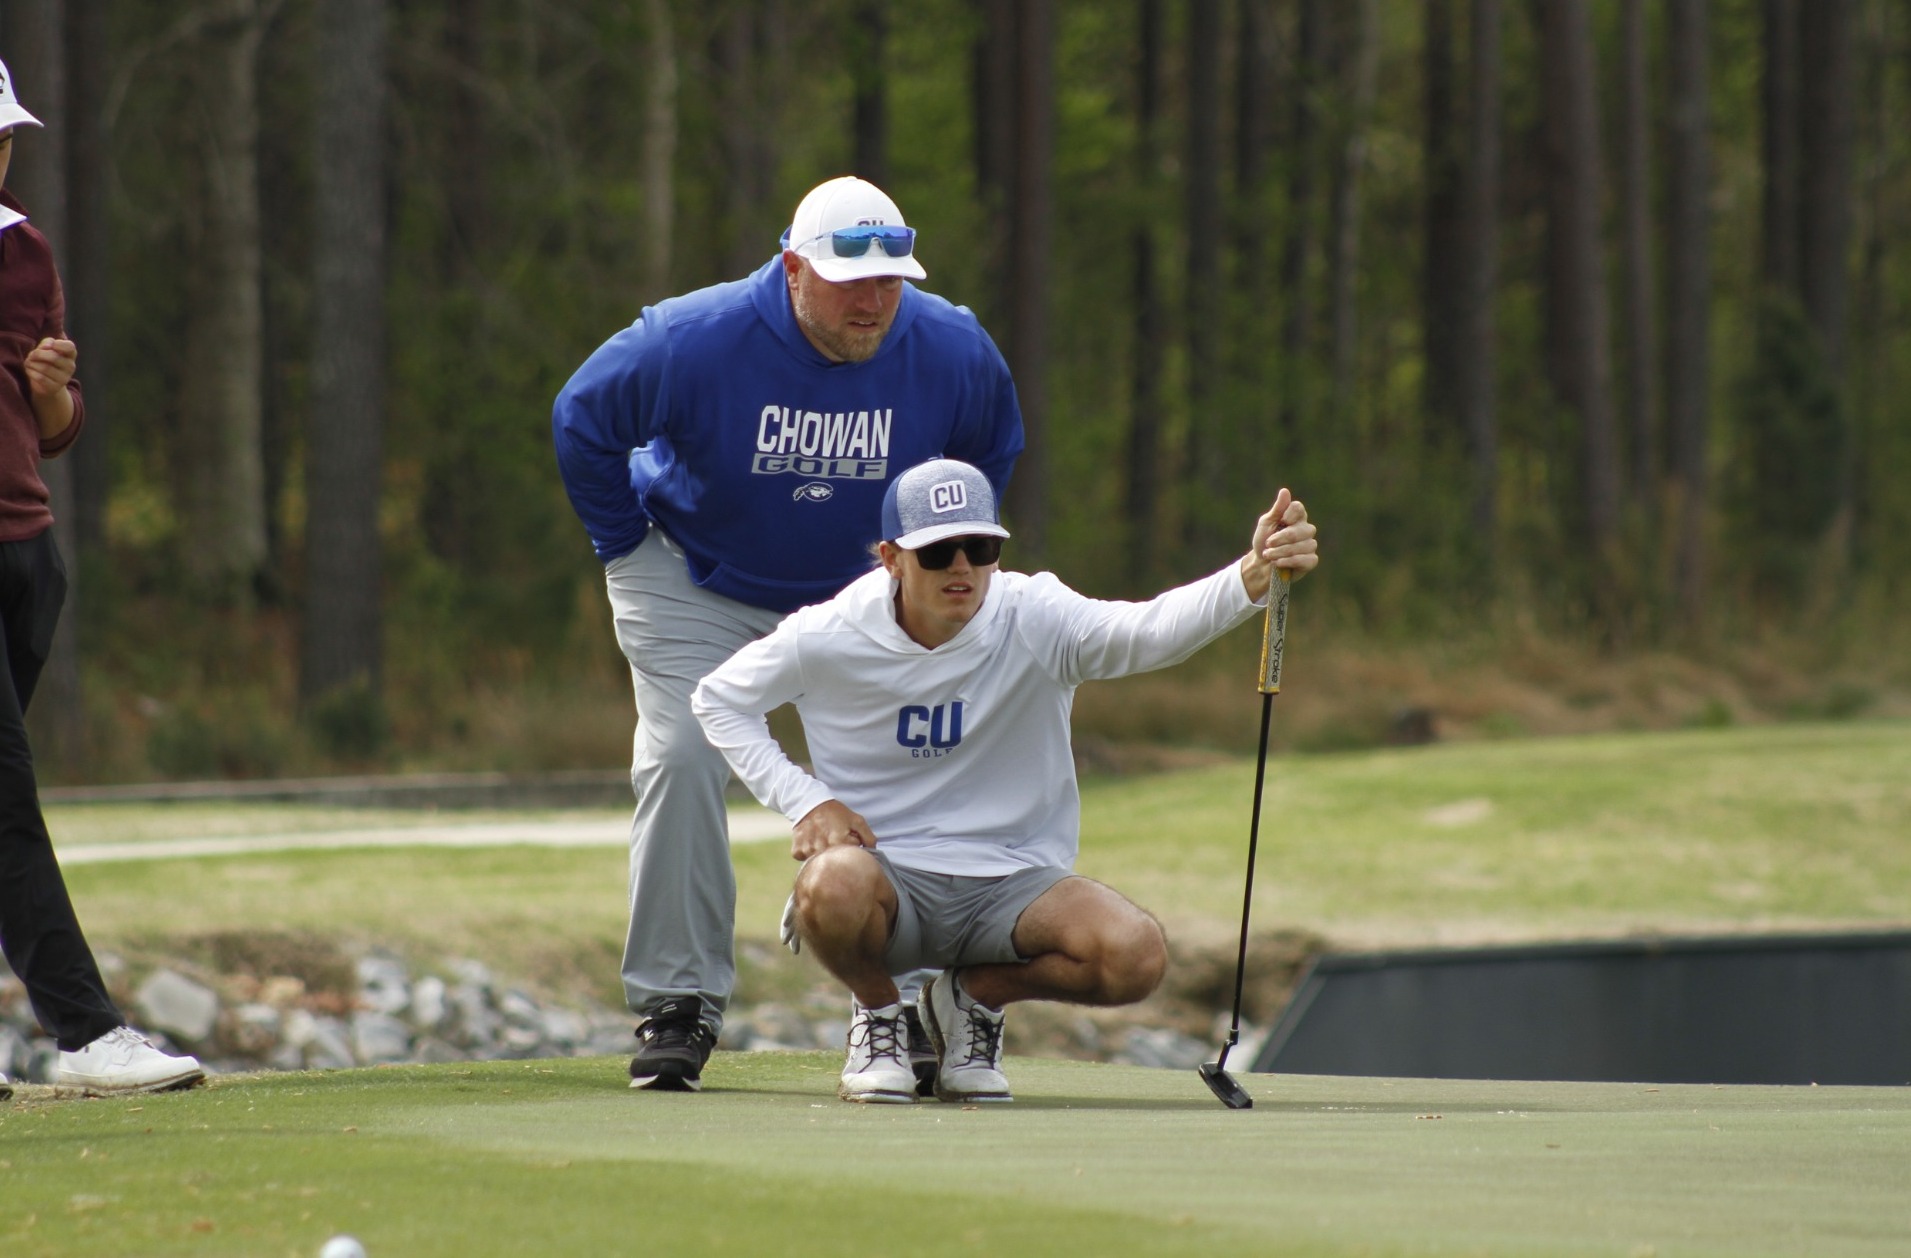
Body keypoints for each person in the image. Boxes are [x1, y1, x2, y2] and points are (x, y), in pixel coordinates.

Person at [553, 177, 1023, 1092]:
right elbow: (583, 419)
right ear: (791, 267)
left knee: (912, 765)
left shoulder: (953, 347)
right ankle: (679, 1002)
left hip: (862, 593)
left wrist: (927, 569)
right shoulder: (690, 338)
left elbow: (984, 457)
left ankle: (912, 1002)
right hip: (695, 574)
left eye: (889, 281)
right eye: (849, 280)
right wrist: (621, 542)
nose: (872, 301)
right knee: (685, 751)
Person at [691, 458, 1319, 1103]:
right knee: (830, 885)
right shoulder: (826, 633)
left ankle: (969, 1003)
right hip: (885, 876)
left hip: (1015, 881)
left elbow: (1148, 630)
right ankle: (879, 1019)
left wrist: (1253, 575)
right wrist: (807, 801)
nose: (962, 566)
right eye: (938, 551)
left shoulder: (1035, 613)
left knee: (1134, 956)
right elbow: (719, 700)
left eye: (981, 546)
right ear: (891, 558)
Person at [0, 58, 204, 1098]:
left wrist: (49, 397)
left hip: (24, 553)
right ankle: (86, 1033)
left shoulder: (21, 246)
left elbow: (59, 422)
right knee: (6, 801)